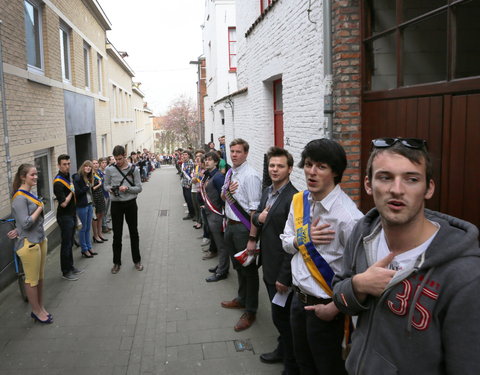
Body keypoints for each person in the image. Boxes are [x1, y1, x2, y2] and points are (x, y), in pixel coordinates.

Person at [332, 137, 480, 375]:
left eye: (411, 179)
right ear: (368, 184)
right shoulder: (363, 232)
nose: (397, 190)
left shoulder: (465, 274)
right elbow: (340, 297)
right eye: (385, 177)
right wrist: (358, 285)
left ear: (428, 188)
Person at [280, 139, 363, 375]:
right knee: (303, 363)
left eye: (321, 166)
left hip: (327, 308)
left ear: (335, 171)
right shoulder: (299, 201)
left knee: (329, 368)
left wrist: (336, 307)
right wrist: (302, 238)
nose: (311, 172)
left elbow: (361, 274)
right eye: (308, 164)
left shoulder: (349, 218)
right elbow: (286, 242)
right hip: (298, 300)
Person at [252, 147, 299, 374]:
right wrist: (257, 218)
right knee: (278, 316)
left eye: (280, 166)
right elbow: (259, 217)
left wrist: (284, 276)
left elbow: (293, 243)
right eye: (272, 165)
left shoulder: (294, 199)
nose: (275, 169)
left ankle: (291, 366)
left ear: (289, 169)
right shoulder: (267, 191)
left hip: (281, 272)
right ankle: (282, 351)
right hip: (268, 264)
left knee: (284, 320)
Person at [220, 138, 262, 332]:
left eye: (238, 151)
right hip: (230, 225)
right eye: (232, 151)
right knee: (238, 266)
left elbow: (254, 211)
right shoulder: (230, 172)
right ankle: (241, 299)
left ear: (246, 154)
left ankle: (251, 311)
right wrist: (227, 191)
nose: (234, 154)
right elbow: (223, 196)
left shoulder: (251, 176)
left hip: (244, 229)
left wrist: (253, 239)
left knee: (250, 271)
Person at [10, 164, 52, 323]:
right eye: (32, 175)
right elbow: (26, 222)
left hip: (40, 239)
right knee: (32, 280)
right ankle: (36, 311)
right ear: (23, 177)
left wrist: (18, 228)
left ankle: (41, 307)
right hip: (29, 244)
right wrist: (39, 209)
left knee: (40, 278)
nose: (35, 177)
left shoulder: (29, 193)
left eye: (36, 174)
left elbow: (21, 223)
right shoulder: (20, 197)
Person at [104, 145, 143, 274]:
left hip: (131, 203)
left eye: (120, 159)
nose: (118, 162)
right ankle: (116, 263)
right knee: (117, 235)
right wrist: (111, 188)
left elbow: (139, 188)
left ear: (125, 156)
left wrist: (127, 189)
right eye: (116, 159)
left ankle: (137, 260)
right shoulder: (110, 170)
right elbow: (105, 185)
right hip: (116, 204)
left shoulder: (134, 169)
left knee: (133, 233)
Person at [53, 154, 83, 281]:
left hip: (71, 214)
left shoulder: (67, 177)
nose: (67, 166)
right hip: (64, 216)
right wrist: (71, 192)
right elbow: (63, 203)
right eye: (64, 164)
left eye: (68, 164)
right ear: (59, 165)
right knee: (66, 244)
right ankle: (65, 272)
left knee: (70, 243)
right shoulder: (58, 182)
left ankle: (71, 267)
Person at [201, 151, 228, 281]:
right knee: (218, 244)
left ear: (216, 162)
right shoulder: (208, 176)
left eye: (210, 160)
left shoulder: (218, 177)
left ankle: (222, 272)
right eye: (206, 159)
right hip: (210, 214)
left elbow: (224, 198)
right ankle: (221, 265)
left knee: (221, 245)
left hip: (217, 215)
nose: (207, 161)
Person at [73, 160, 96, 258]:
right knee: (83, 229)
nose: (88, 168)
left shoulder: (88, 177)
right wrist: (87, 187)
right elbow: (77, 192)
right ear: (82, 167)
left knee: (87, 228)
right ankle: (84, 249)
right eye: (86, 166)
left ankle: (89, 247)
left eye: (90, 167)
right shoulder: (77, 177)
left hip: (89, 204)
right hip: (81, 206)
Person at [92, 159, 108, 244]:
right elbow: (91, 188)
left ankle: (100, 233)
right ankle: (95, 235)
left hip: (101, 195)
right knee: (96, 217)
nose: (96, 165)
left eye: (96, 163)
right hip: (95, 197)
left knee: (101, 215)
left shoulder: (98, 173)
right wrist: (99, 184)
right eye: (93, 163)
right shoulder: (91, 175)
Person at [181, 150, 195, 220]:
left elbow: (192, 175)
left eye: (185, 154)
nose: (184, 156)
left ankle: (192, 214)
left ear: (189, 155)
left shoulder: (191, 163)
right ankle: (190, 212)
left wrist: (189, 184)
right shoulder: (184, 163)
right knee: (187, 200)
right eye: (183, 155)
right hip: (184, 184)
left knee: (190, 200)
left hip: (189, 184)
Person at [99, 157, 111, 233]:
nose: (104, 164)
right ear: (100, 163)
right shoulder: (99, 172)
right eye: (102, 163)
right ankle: (103, 226)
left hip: (107, 193)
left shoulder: (106, 171)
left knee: (106, 211)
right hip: (102, 194)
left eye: (105, 163)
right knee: (103, 211)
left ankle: (105, 224)